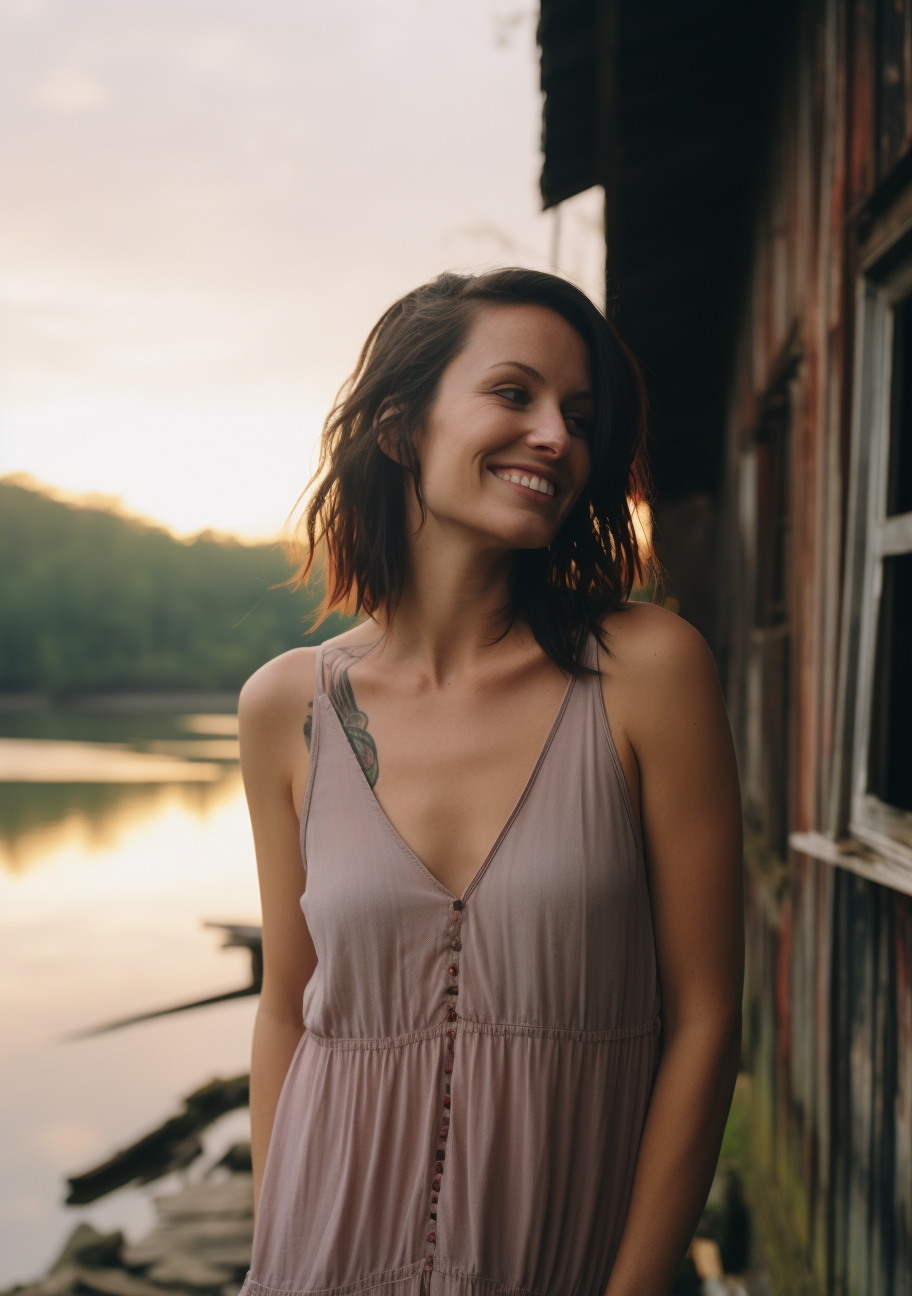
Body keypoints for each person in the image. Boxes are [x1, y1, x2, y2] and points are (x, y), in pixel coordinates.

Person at [238, 268, 743, 1296]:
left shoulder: (649, 672)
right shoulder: (287, 707)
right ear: (398, 429)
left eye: (580, 415)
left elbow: (704, 1020)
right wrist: (273, 1241)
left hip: (561, 1258)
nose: (557, 435)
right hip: (320, 1257)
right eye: (514, 394)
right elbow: (288, 1009)